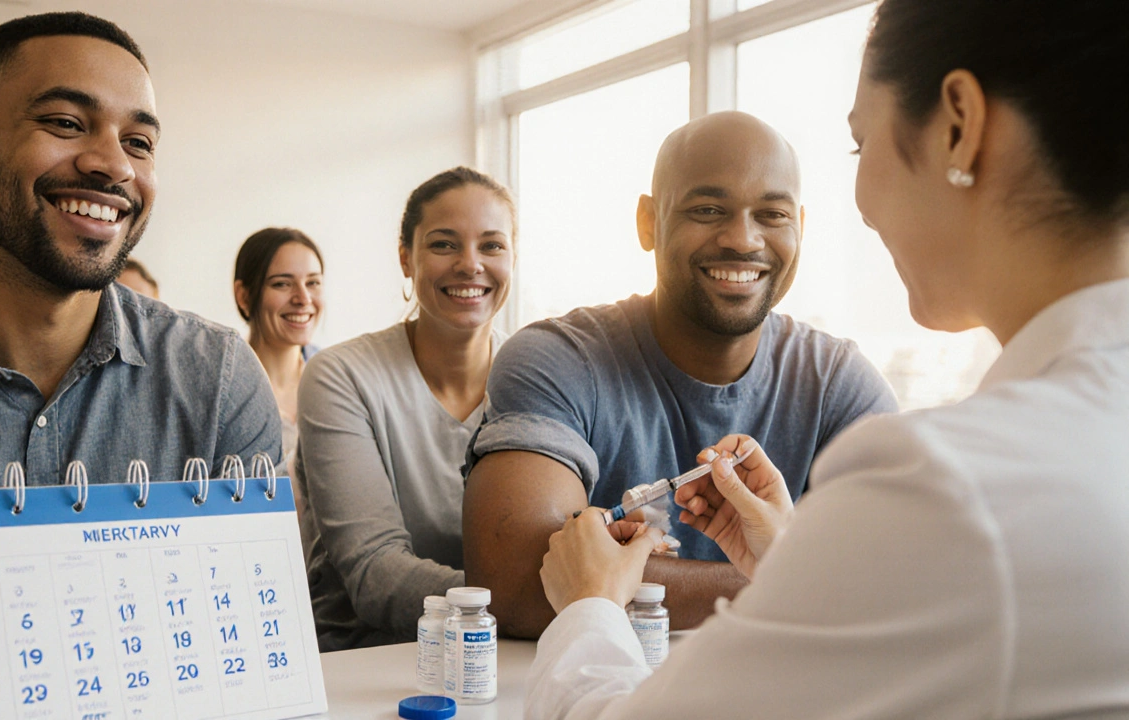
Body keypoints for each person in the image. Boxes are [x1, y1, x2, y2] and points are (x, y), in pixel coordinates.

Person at [528, 0, 1129, 716]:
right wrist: (795, 565)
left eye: (859, 142)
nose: (864, 202)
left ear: (959, 128)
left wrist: (592, 607)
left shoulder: (949, 487)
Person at [0, 13, 281, 704]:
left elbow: (248, 656)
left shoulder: (217, 378)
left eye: (138, 141)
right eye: (66, 123)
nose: (113, 164)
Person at [463, 112, 897, 638]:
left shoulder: (838, 383)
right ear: (649, 222)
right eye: (708, 209)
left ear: (800, 228)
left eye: (772, 214)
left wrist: (612, 578)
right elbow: (516, 581)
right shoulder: (558, 359)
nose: (742, 238)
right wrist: (799, 586)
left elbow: (890, 586)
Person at [296, 167, 515, 651]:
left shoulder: (537, 378)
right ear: (406, 260)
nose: (470, 264)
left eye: (492, 245)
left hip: (510, 650)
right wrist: (535, 600)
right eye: (443, 244)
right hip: (370, 658)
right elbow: (375, 574)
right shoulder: (341, 376)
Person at [233, 227, 325, 468]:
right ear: (244, 296)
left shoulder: (339, 379)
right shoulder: (222, 389)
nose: (303, 299)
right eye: (282, 284)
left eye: (313, 282)